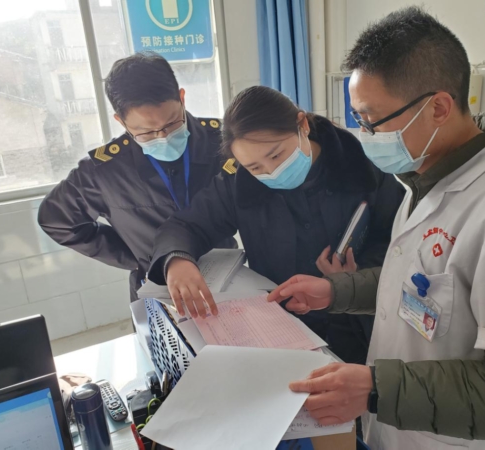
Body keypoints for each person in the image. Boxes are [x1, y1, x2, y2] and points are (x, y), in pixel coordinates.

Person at [268, 7, 485, 449]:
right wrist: (337, 292)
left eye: (371, 120)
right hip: (401, 430)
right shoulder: (426, 175)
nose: (363, 134)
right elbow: (422, 284)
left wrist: (376, 389)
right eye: (357, 119)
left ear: (438, 108)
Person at [147, 85, 405, 364]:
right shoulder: (238, 184)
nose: (271, 172)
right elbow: (185, 226)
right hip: (283, 326)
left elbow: (402, 242)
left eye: (276, 155)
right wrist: (177, 260)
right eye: (255, 167)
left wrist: (353, 276)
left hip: (359, 322)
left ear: (302, 125)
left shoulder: (362, 166)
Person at [38, 52, 235, 301]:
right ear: (121, 121)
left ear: (182, 98)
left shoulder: (223, 142)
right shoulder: (104, 171)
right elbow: (56, 221)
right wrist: (138, 257)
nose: (163, 136)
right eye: (146, 132)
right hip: (157, 291)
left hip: (228, 280)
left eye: (172, 123)